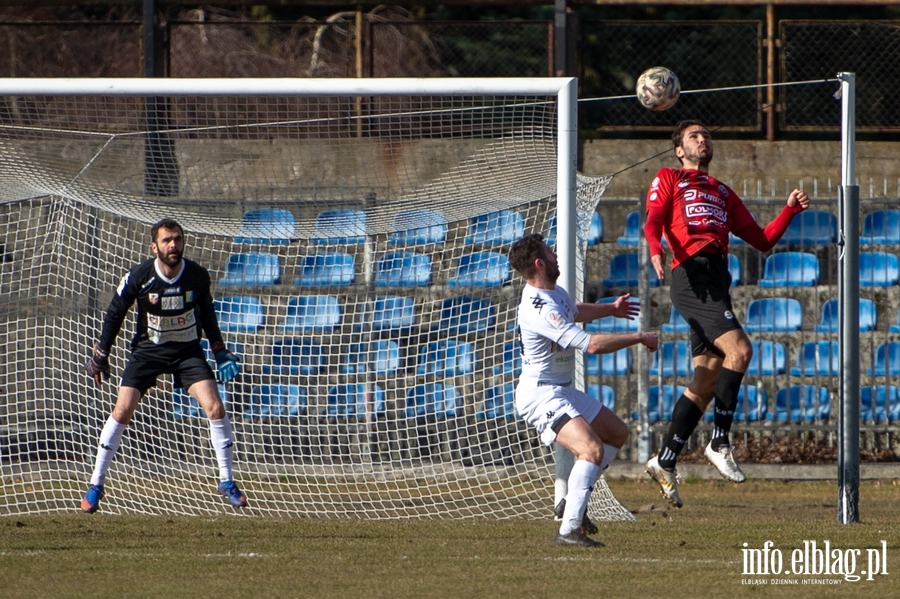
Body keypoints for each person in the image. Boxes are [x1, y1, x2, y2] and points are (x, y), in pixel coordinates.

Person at [643, 120, 810, 508]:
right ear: (680, 150)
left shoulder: (721, 191)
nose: (703, 140)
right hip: (691, 275)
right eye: (694, 136)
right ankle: (719, 442)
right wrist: (656, 250)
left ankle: (664, 459)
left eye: (706, 135)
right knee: (741, 351)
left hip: (717, 279)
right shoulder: (669, 177)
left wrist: (787, 211)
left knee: (706, 380)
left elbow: (763, 240)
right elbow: (653, 221)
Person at [82, 218, 248, 512]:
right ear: (154, 246)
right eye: (167, 240)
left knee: (215, 407)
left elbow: (207, 313)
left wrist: (219, 350)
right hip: (148, 352)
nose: (174, 245)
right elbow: (114, 314)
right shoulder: (139, 276)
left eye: (178, 239)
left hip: (187, 352)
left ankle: (226, 480)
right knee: (122, 410)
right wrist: (101, 354)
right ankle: (96, 484)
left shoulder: (196, 276)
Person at [509, 233, 659, 547]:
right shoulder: (539, 309)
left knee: (616, 432)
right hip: (541, 395)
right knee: (591, 450)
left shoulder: (553, 294)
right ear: (540, 263)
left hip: (560, 389)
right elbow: (590, 345)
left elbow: (573, 309)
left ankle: (573, 501)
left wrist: (611, 309)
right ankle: (569, 530)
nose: (556, 257)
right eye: (550, 254)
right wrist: (638, 337)